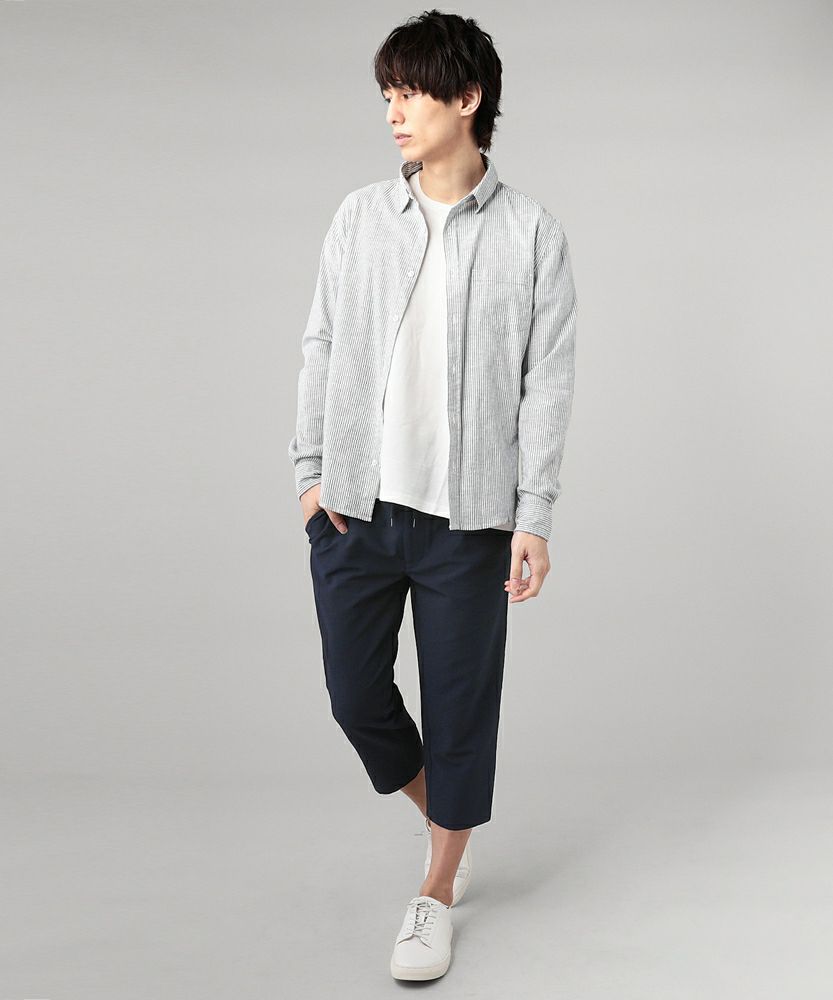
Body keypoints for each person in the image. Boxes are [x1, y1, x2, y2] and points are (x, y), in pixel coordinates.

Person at [287, 9, 578, 982]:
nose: (392, 112)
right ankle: (447, 814)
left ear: (467, 97)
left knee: (458, 711)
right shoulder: (358, 217)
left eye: (408, 92)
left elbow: (546, 383)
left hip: (468, 523)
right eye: (387, 94)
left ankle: (437, 889)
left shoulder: (531, 235)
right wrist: (310, 474)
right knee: (355, 697)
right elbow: (321, 341)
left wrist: (533, 516)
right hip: (356, 512)